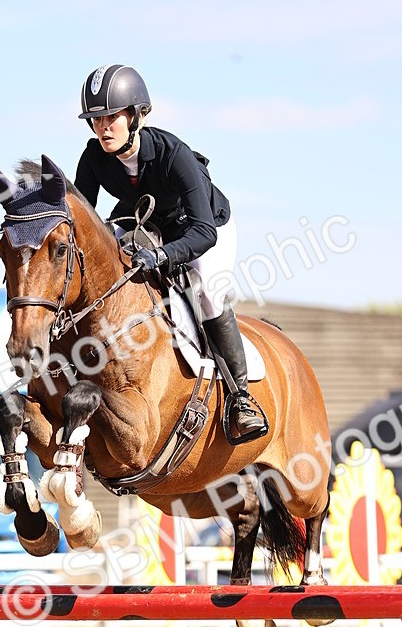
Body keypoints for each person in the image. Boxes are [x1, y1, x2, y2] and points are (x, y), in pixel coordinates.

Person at [75, 64, 266, 441]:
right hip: (149, 227)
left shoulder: (172, 154)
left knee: (208, 292)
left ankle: (241, 399)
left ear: (135, 115)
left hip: (204, 229)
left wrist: (161, 257)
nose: (103, 127)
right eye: (96, 119)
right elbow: (86, 226)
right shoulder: (93, 158)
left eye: (112, 116)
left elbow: (204, 230)